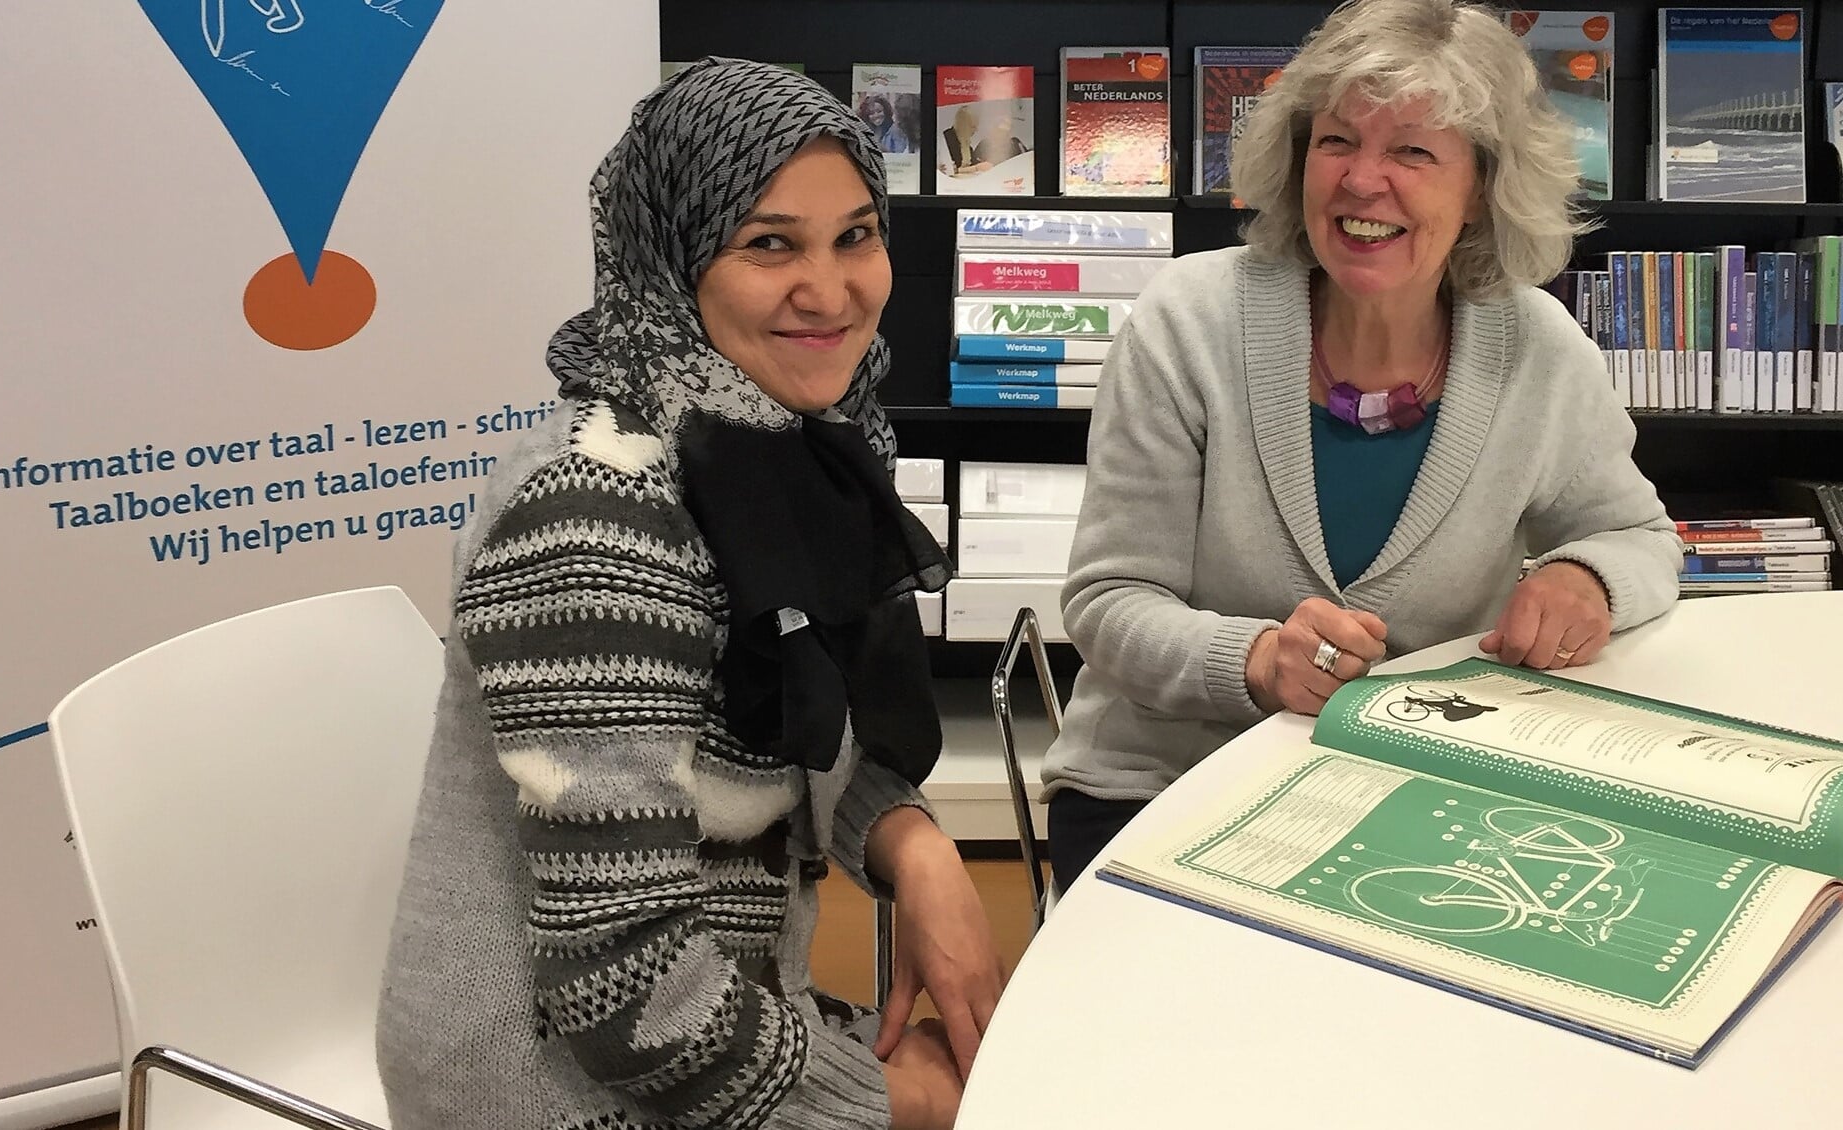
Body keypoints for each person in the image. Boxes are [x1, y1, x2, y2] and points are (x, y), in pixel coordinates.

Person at [377, 58, 1004, 1130]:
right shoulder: (595, 515)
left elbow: (783, 733)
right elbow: (624, 990)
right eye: (770, 244)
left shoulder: (775, 444)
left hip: (724, 1008)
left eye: (856, 234)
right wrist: (899, 1100)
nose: (831, 288)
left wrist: (913, 841)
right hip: (553, 1083)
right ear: (674, 259)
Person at [1040, 0, 1684, 894]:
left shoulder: (1540, 348)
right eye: (1337, 141)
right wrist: (1256, 661)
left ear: (1481, 190)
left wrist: (1586, 577)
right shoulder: (1187, 323)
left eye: (1415, 152)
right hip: (1163, 782)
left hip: (1418, 791)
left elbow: (1644, 542)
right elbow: (1111, 603)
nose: (1362, 181)